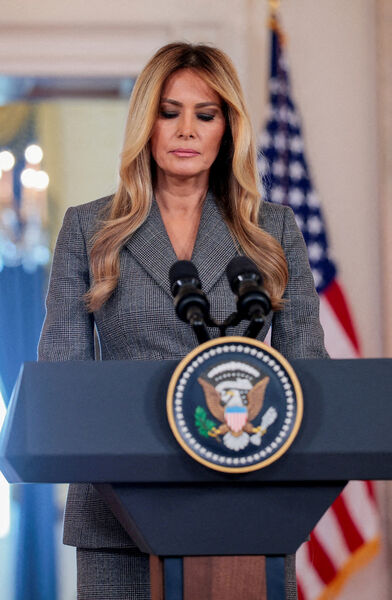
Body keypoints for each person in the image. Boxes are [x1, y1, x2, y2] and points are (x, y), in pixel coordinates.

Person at [38, 42, 327, 600]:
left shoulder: (272, 230)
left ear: (228, 128)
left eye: (206, 114)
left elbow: (309, 373)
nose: (186, 130)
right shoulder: (89, 229)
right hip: (120, 517)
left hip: (247, 508)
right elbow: (62, 381)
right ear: (145, 125)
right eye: (169, 113)